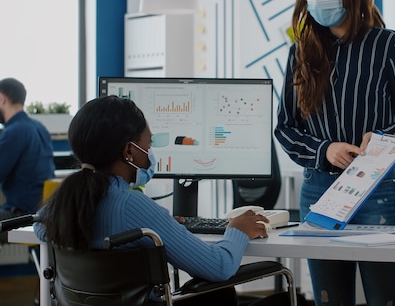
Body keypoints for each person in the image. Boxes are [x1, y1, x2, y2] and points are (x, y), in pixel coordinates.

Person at [274, 0, 395, 304]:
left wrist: (382, 141)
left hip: (377, 190)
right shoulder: (299, 53)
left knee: (387, 298)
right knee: (330, 299)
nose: (318, 0)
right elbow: (285, 128)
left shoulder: (387, 45)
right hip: (319, 191)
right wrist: (325, 150)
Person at [32, 95, 294, 305]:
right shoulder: (131, 205)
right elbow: (219, 267)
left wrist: (164, 226)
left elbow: (40, 228)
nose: (151, 152)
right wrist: (236, 230)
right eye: (149, 142)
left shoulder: (60, 204)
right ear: (129, 151)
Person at [0, 77, 55, 243]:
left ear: (2, 98)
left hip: (23, 216)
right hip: (44, 212)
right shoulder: (39, 127)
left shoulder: (14, 132)